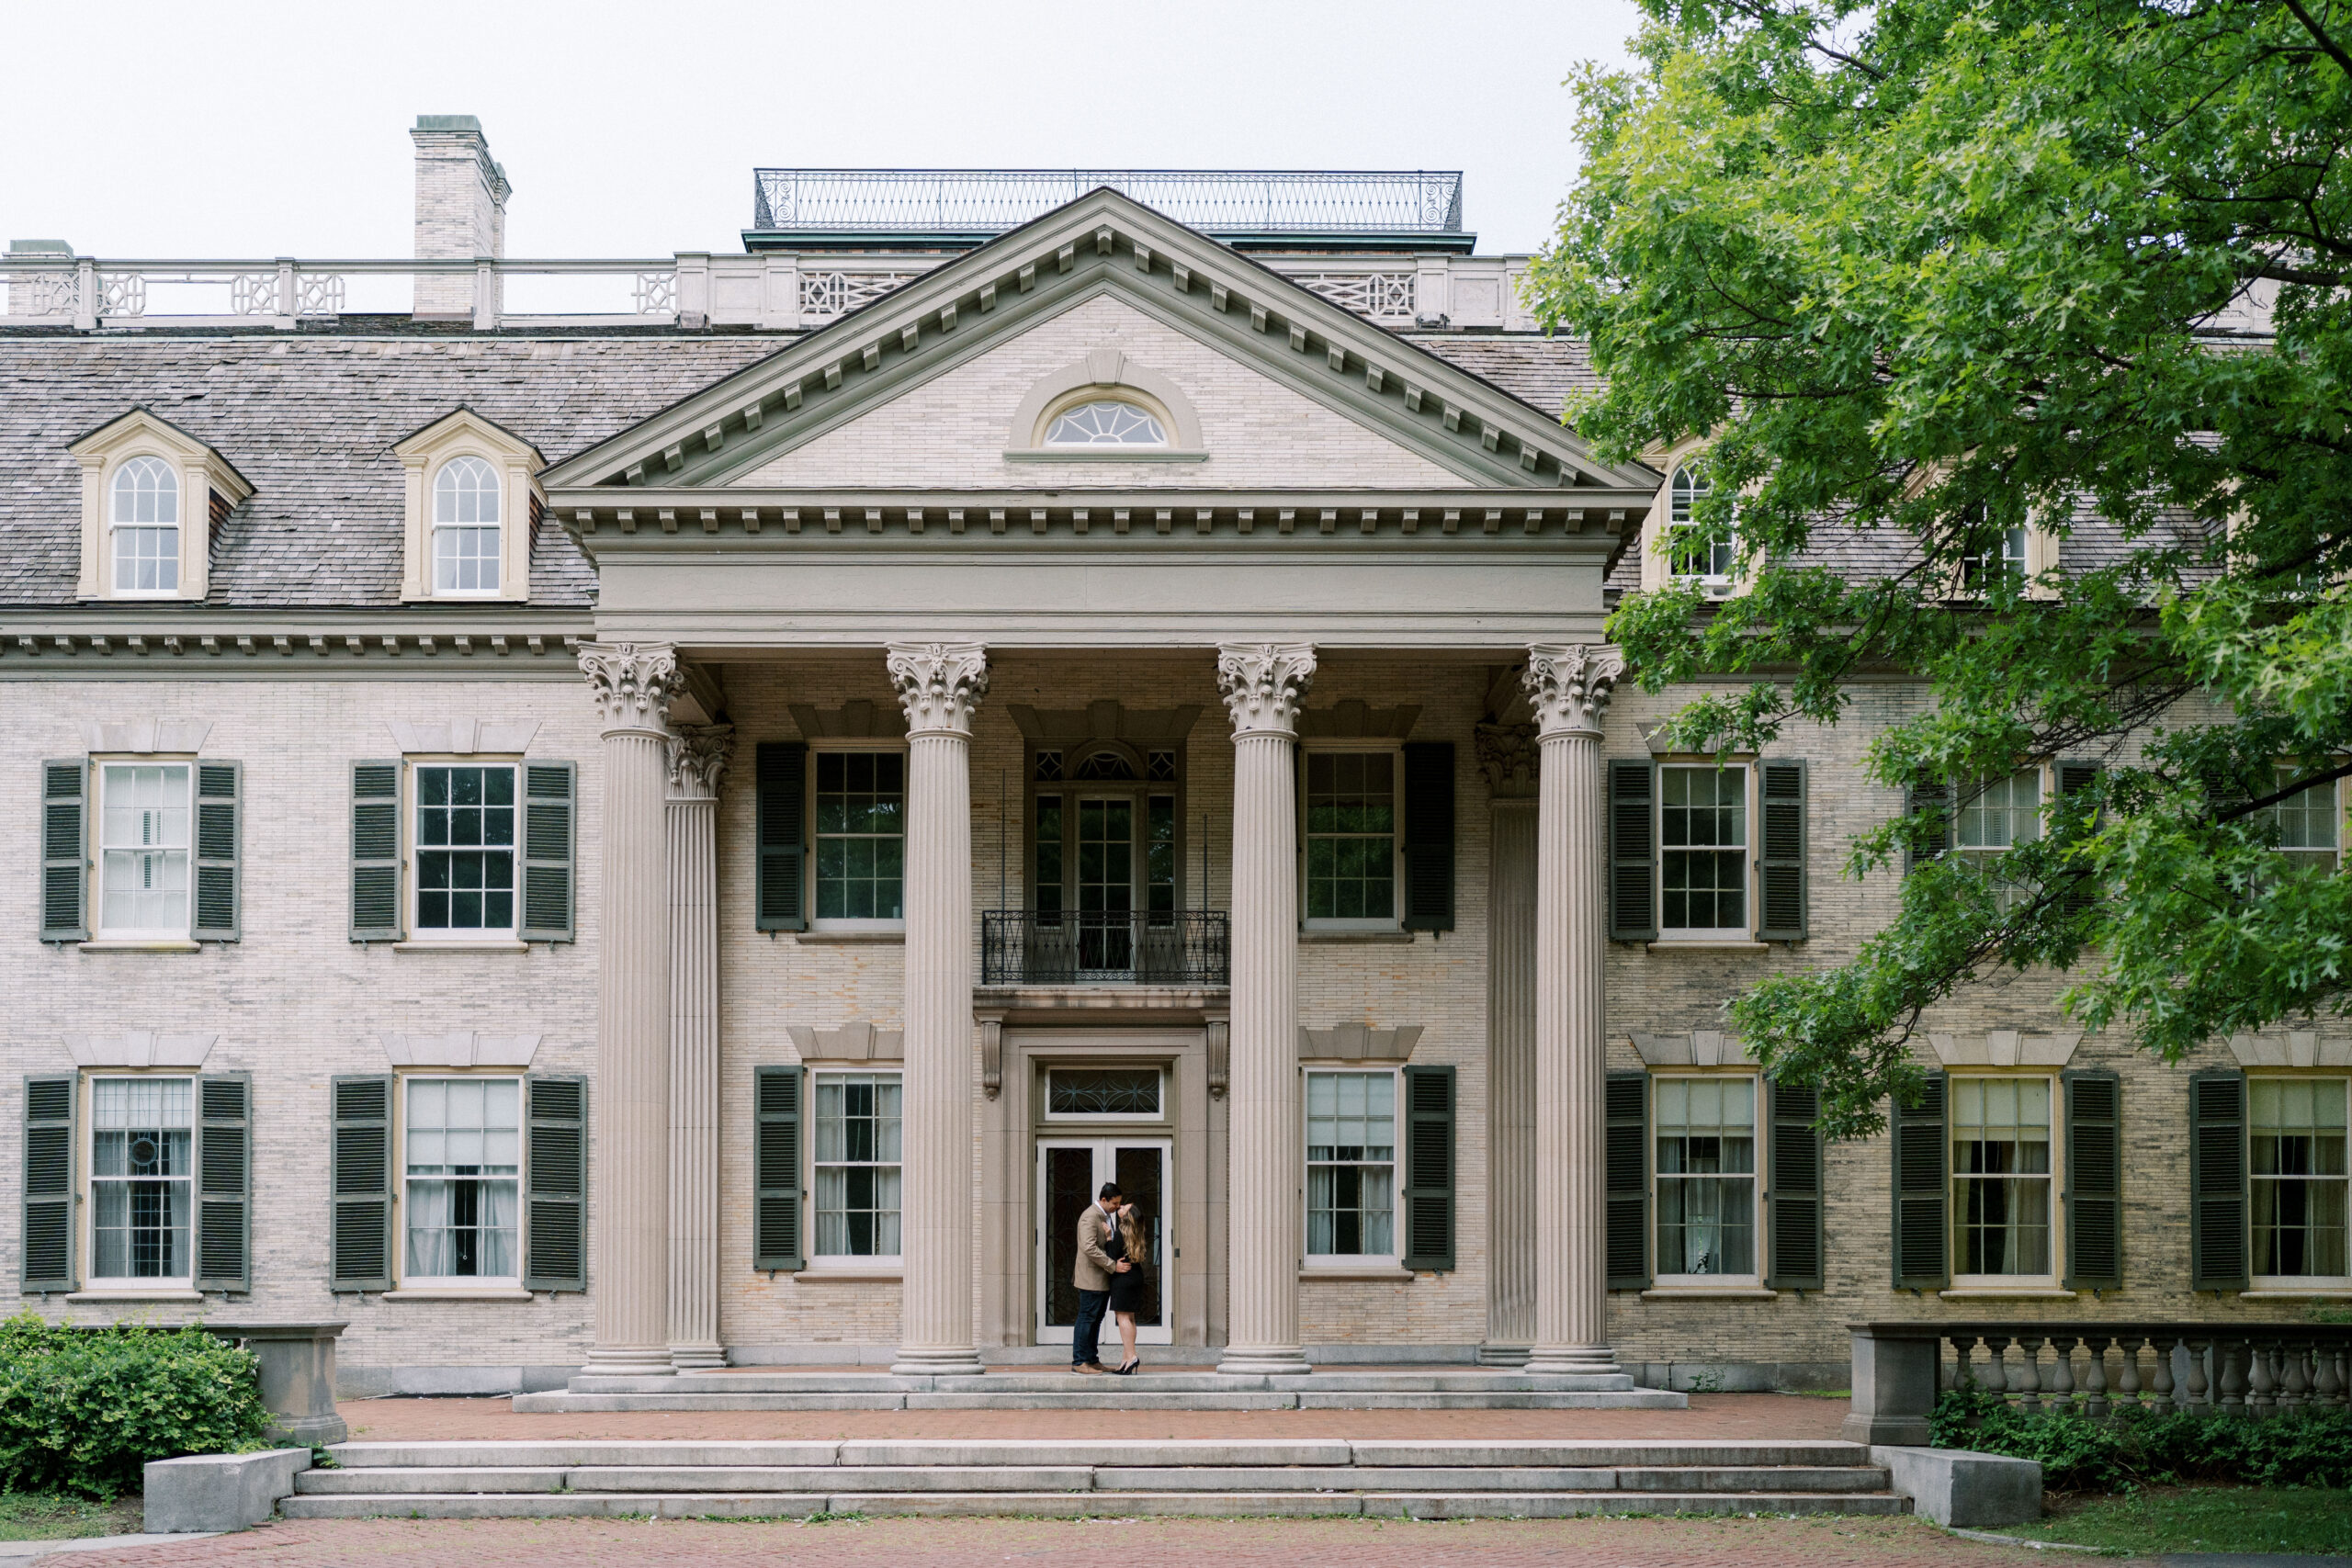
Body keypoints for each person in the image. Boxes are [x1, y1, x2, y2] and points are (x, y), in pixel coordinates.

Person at [1070, 1180, 1121, 1374]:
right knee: (1086, 1319)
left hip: (1102, 1279)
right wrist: (1112, 1265)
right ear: (1103, 1199)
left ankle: (1092, 1359)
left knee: (1096, 1319)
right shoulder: (1090, 1217)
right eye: (1114, 1203)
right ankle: (1079, 1361)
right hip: (1091, 1278)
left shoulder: (1105, 1216)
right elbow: (1089, 1247)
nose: (1117, 1207)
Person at [1106, 1197, 1148, 1375]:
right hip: (1135, 1276)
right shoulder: (1136, 1232)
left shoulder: (1121, 1233)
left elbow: (1111, 1255)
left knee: (1122, 1318)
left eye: (1125, 1207)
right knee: (1130, 1318)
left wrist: (1108, 1237)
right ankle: (1126, 1360)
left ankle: (1131, 1356)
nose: (1121, 1207)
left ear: (1127, 1216)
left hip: (1123, 1279)